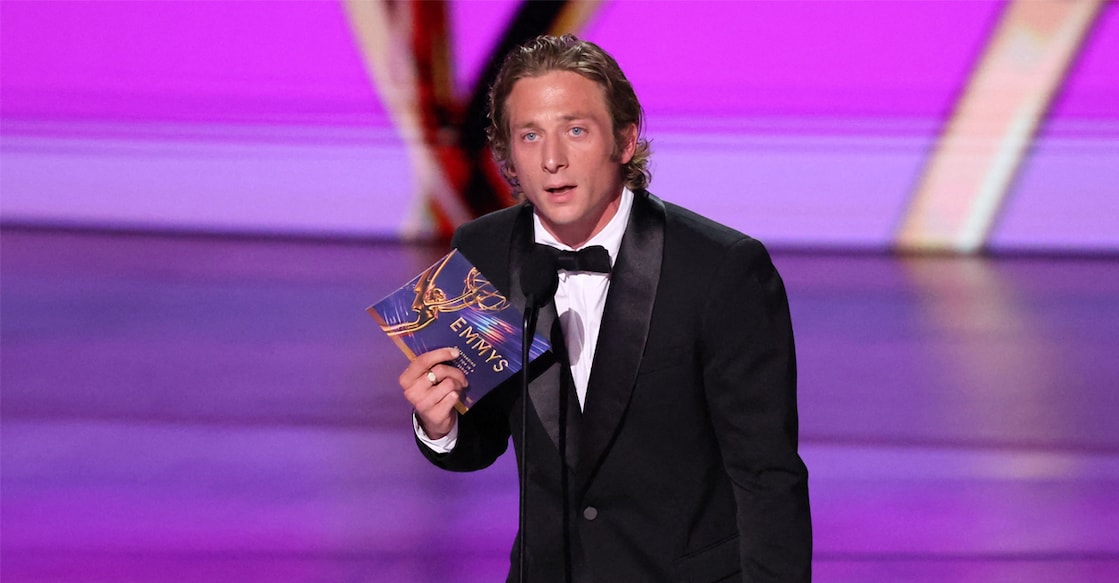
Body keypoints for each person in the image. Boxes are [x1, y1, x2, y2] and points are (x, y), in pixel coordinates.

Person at [397, 34, 811, 582]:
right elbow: (481, 439)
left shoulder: (721, 268)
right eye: (530, 135)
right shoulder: (484, 251)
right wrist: (440, 423)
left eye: (575, 130)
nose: (552, 160)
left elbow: (766, 475)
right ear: (508, 157)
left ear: (624, 140)